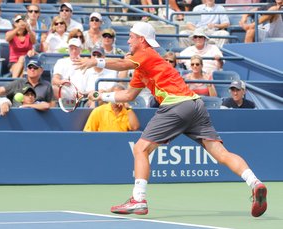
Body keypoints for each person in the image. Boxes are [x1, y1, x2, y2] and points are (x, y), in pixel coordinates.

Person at [73, 21, 267, 218]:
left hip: (176, 105)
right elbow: (129, 95)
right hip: (195, 105)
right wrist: (99, 96)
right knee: (221, 154)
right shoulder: (143, 68)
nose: (128, 40)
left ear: (141, 39)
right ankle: (255, 182)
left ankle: (138, 200)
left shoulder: (147, 53)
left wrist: (96, 62)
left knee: (140, 149)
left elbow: (124, 64)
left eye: (131, 36)